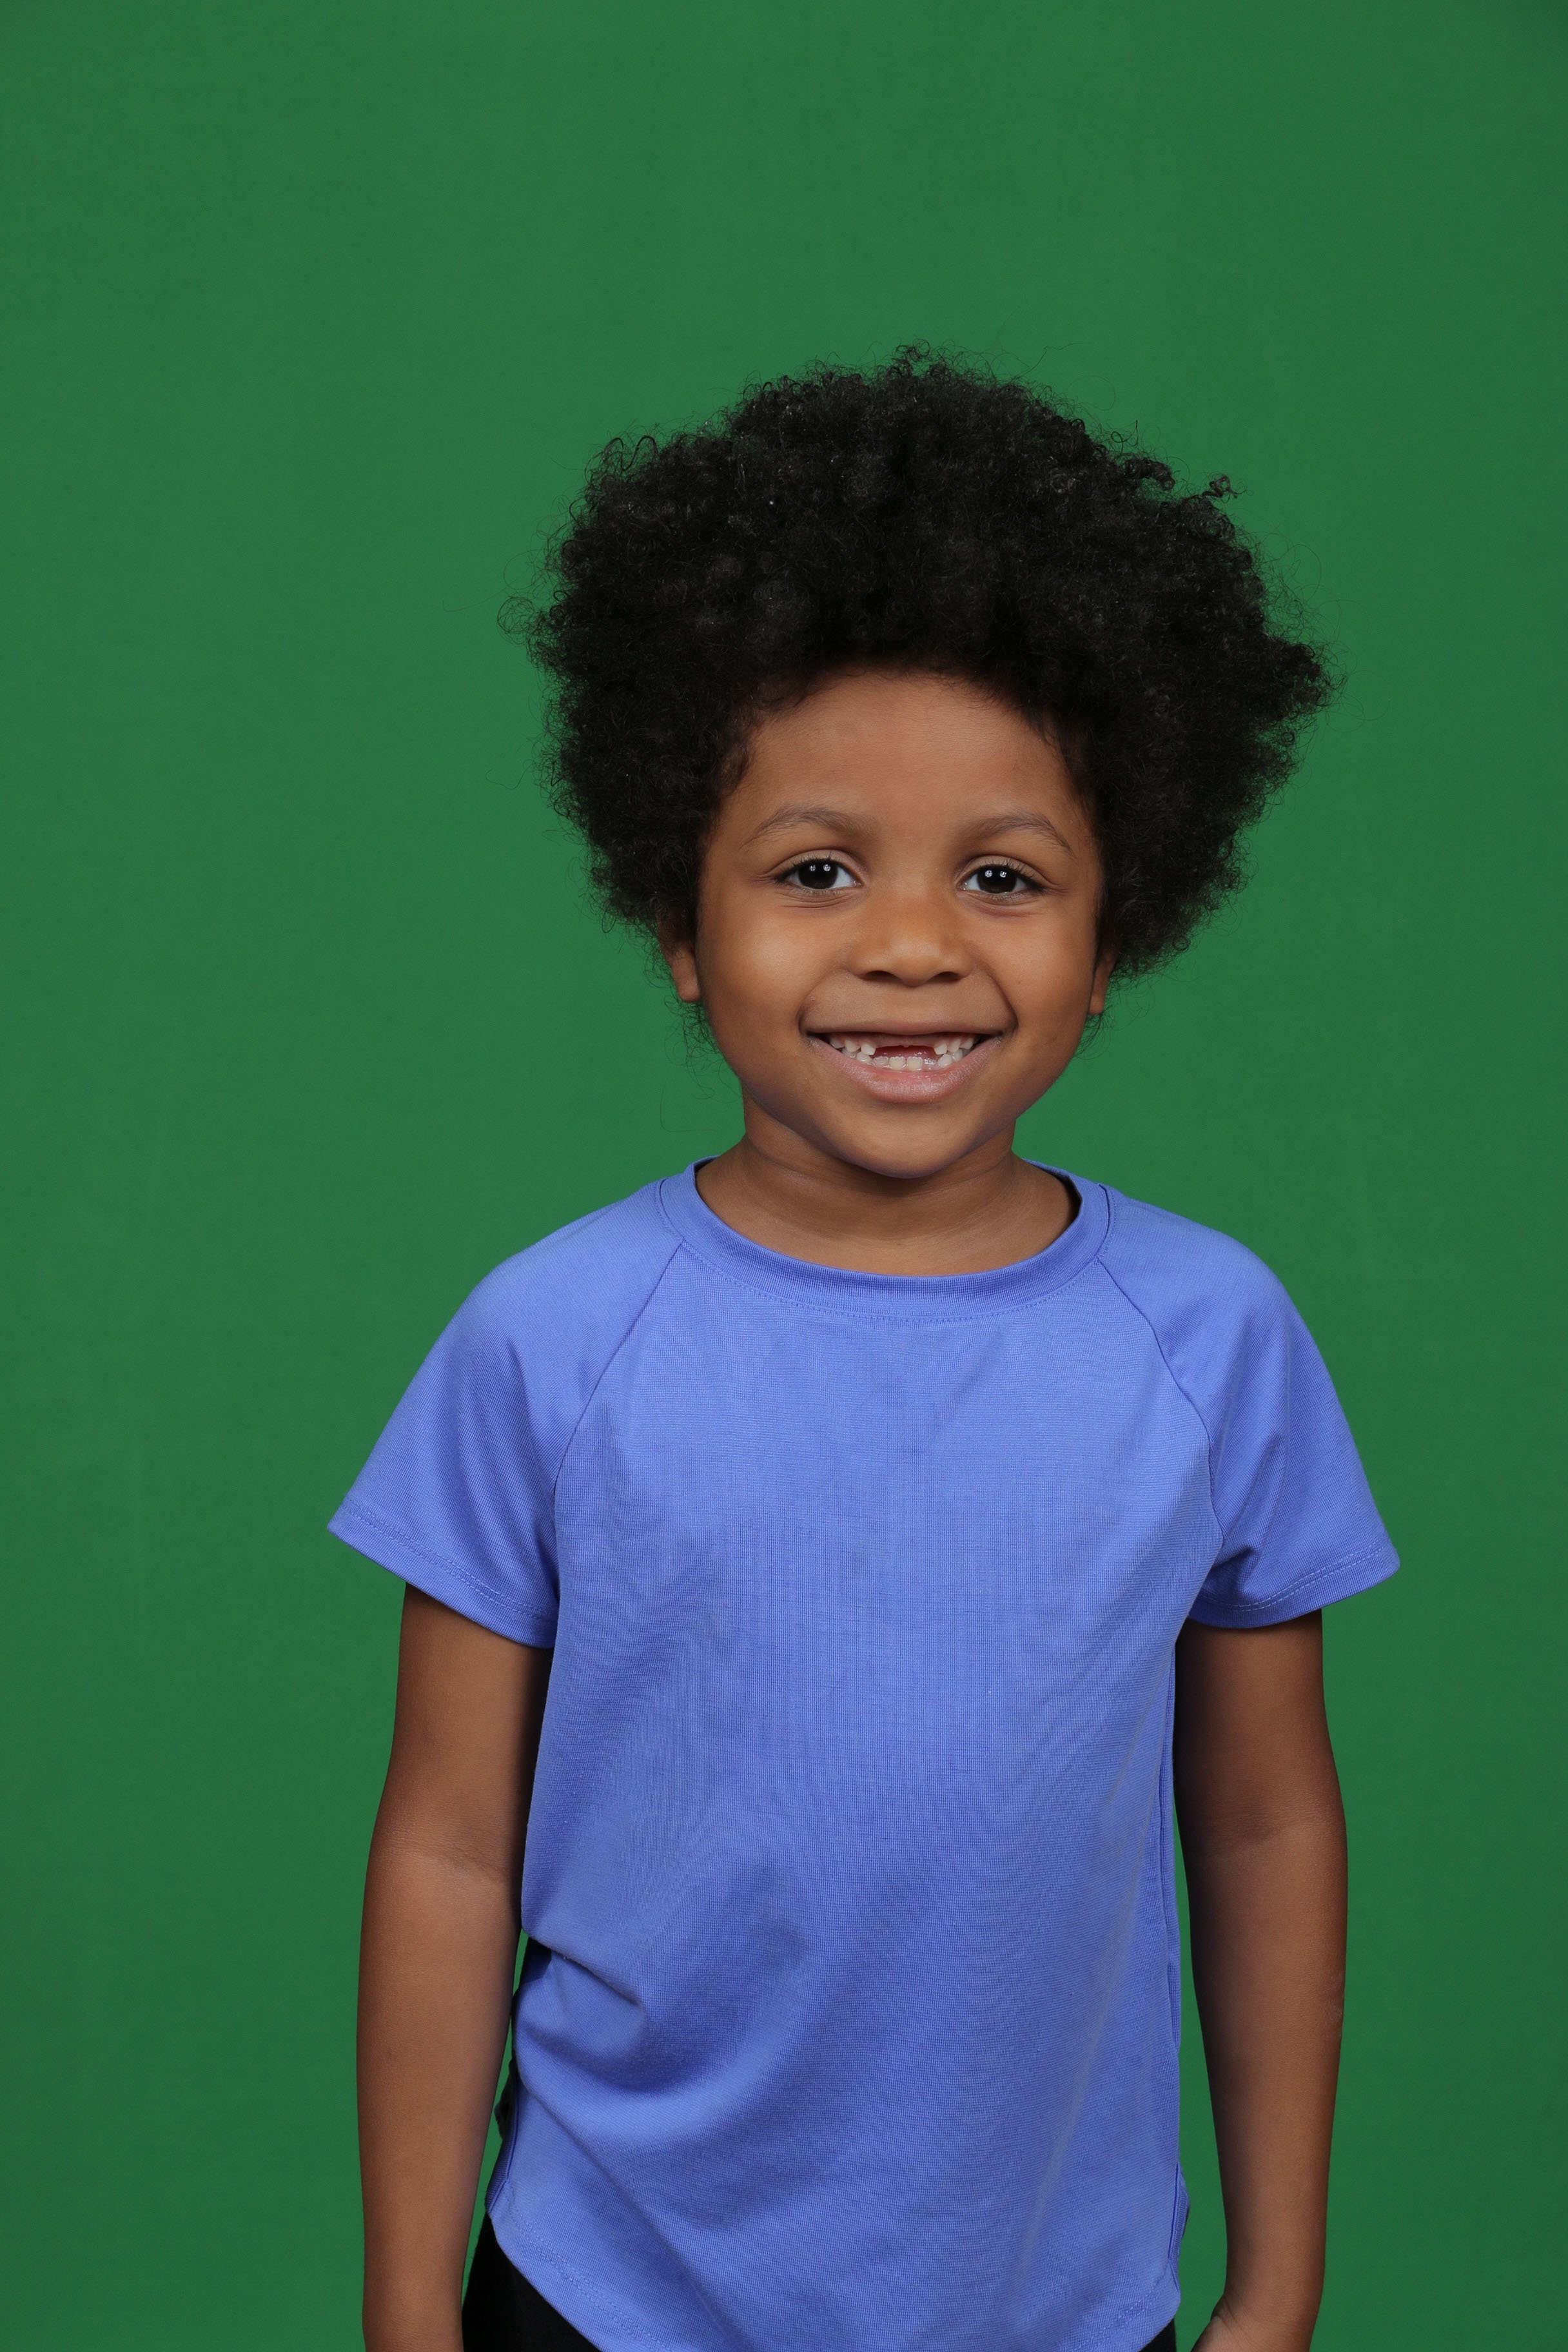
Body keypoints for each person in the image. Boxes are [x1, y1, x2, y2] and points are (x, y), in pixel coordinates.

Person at [333, 353, 1397, 2352]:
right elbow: (452, 1848)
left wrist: (1278, 2286)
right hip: (607, 2294)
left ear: (1117, 932)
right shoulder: (552, 1338)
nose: (913, 944)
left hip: (1057, 2305)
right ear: (677, 920)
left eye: (1004, 876)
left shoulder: (1212, 1340)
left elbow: (1265, 1823)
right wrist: (409, 2313)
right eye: (817, 869)